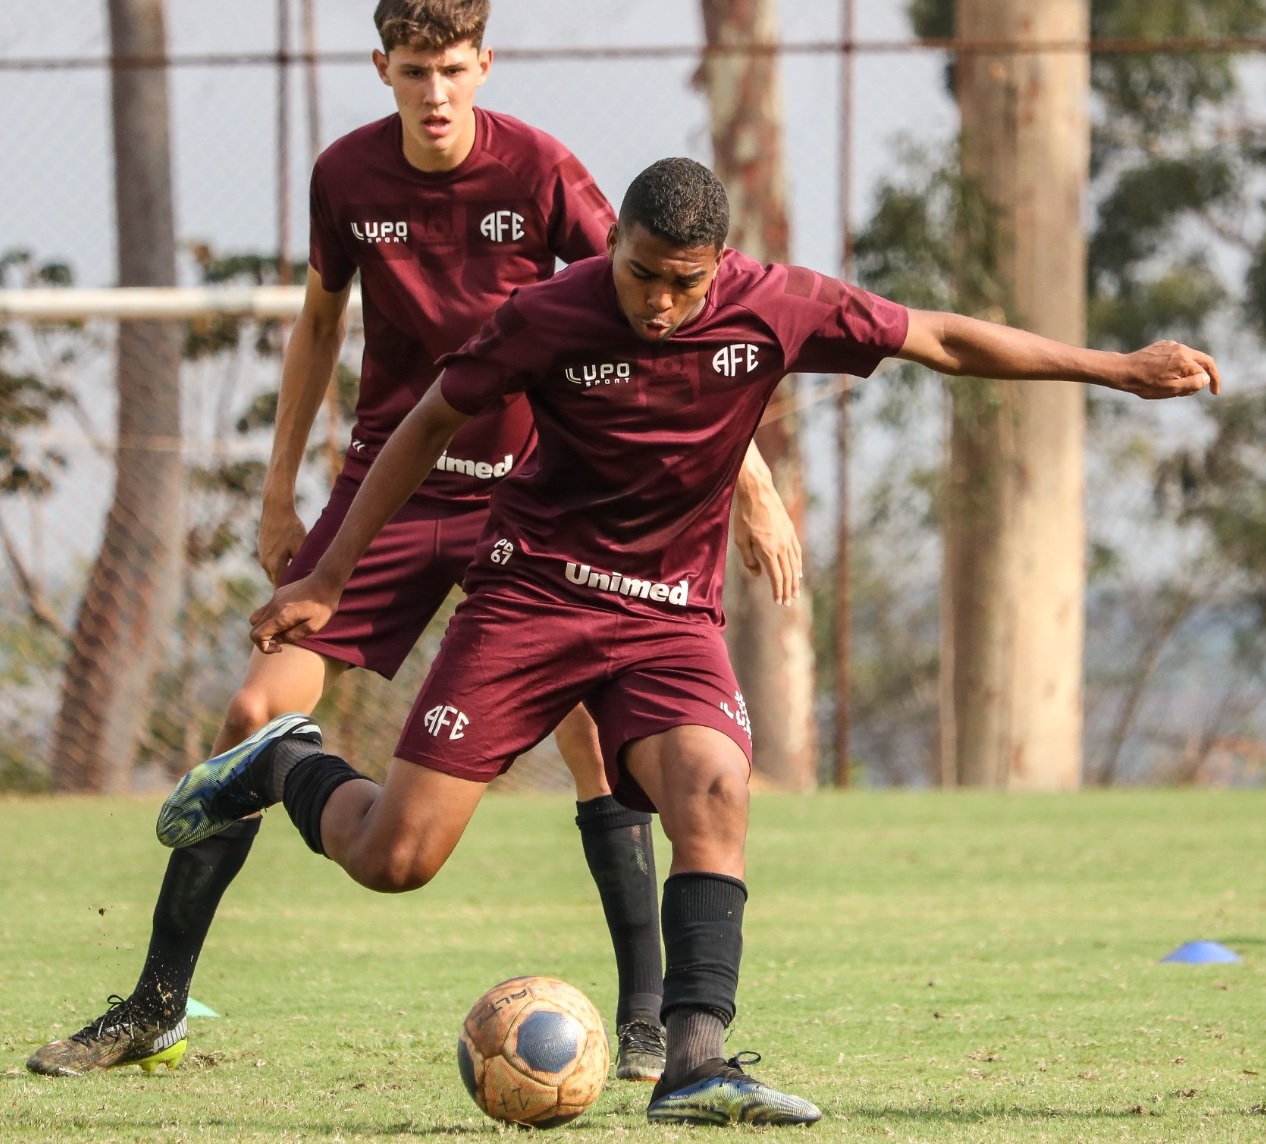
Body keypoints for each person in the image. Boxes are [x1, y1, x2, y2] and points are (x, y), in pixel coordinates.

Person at [152, 155, 1221, 1126]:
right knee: (396, 858)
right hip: (531, 601)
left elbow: (938, 337)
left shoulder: (779, 305)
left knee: (714, 786)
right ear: (612, 245)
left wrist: (1117, 370)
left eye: (685, 282)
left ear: (721, 264)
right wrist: (328, 575)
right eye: (643, 275)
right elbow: (429, 420)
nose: (661, 303)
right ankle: (279, 759)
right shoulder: (548, 315)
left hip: (667, 619)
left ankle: (695, 1059)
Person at [26, 2, 800, 1082]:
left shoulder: (540, 171)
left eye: (452, 68)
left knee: (593, 739)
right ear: (381, 66)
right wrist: (278, 492)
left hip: (530, 500)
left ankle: (645, 1016)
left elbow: (668, 314)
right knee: (254, 711)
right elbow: (316, 326)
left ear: (483, 62)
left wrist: (750, 481)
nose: (435, 92)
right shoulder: (346, 178)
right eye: (415, 69)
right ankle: (156, 1002)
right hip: (387, 488)